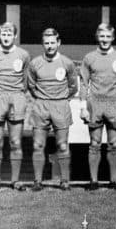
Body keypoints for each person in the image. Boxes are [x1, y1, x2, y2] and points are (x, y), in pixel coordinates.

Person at [79, 23, 116, 190]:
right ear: (97, 37)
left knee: (113, 143)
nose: (105, 40)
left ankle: (113, 180)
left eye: (108, 36)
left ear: (113, 38)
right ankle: (93, 181)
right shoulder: (89, 58)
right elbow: (84, 84)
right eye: (102, 36)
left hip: (115, 103)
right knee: (94, 143)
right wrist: (82, 107)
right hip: (95, 103)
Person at [27, 28, 77, 191]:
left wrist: (62, 99)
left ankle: (64, 181)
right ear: (43, 44)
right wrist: (43, 97)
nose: (49, 46)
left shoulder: (67, 63)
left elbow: (73, 86)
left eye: (52, 43)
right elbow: (31, 85)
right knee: (38, 145)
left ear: (58, 43)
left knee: (62, 145)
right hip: (41, 105)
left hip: (60, 105)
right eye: (46, 43)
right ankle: (37, 181)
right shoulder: (35, 63)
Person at [0, 22, 30, 191]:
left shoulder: (23, 55)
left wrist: (17, 94)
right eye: (3, 34)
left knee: (15, 141)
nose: (6, 37)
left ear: (15, 36)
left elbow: (25, 80)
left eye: (9, 34)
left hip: (16, 98)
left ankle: (15, 180)